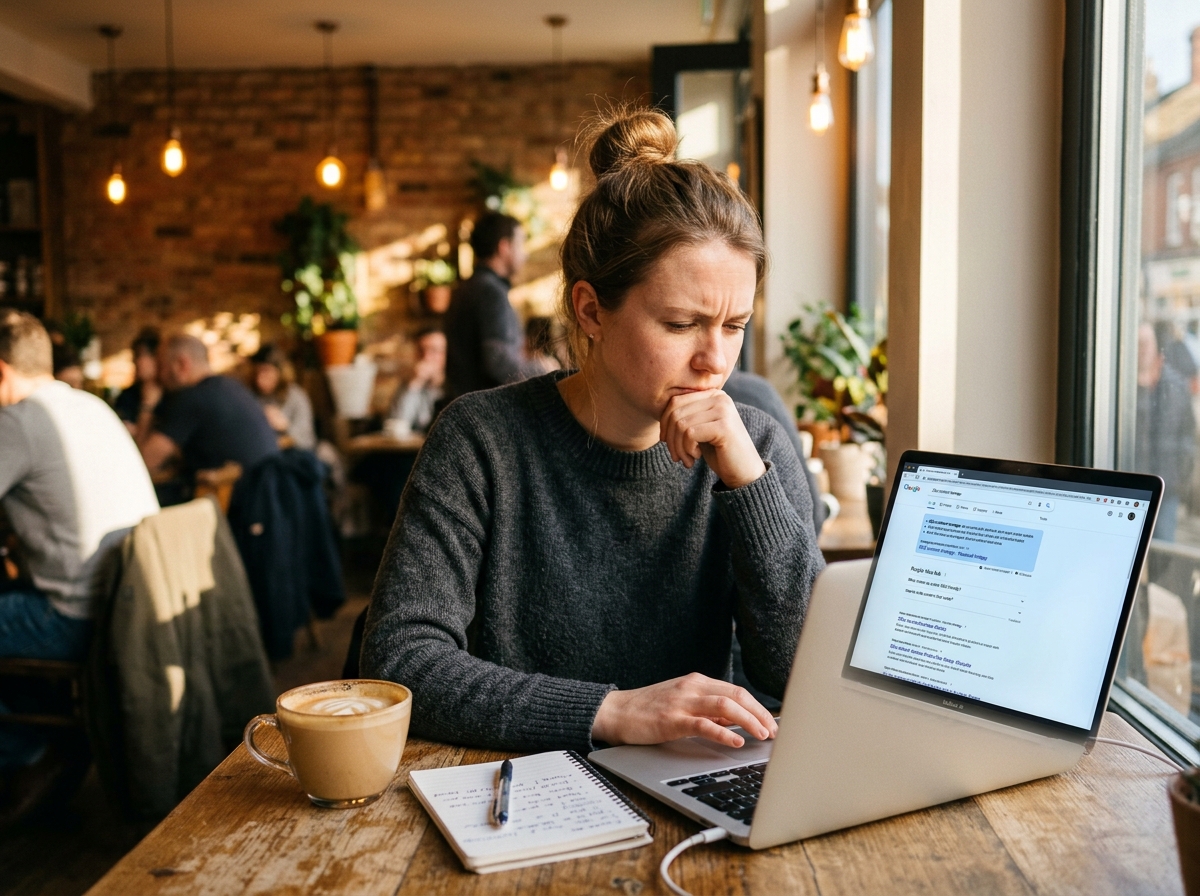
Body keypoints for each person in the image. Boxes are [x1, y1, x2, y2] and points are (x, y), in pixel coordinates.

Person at [362, 108, 823, 755]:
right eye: (681, 323)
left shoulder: (756, 447)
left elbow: (808, 677)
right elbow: (398, 662)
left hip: (692, 798)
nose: (716, 359)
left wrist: (749, 484)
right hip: (512, 791)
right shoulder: (482, 440)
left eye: (734, 325)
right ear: (591, 309)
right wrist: (611, 712)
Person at [0, 309, 158, 809]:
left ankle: (26, 752)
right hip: (127, 606)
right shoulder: (93, 406)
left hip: (75, 618)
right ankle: (49, 735)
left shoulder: (19, 421)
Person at [139, 335, 280, 489]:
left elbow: (142, 463)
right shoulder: (233, 386)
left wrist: (147, 405)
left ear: (182, 364)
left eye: (161, 367)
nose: (159, 376)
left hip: (232, 507)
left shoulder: (192, 398)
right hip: (270, 497)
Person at [444, 212, 555, 398]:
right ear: (504, 247)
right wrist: (544, 367)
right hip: (482, 412)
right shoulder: (490, 292)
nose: (525, 254)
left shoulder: (469, 287)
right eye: (521, 244)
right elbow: (498, 363)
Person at [1135, 322, 1196, 542]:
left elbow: (1187, 435)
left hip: (1166, 487)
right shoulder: (1126, 388)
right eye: (1138, 343)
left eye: (1146, 343)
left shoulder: (1176, 387)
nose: (1142, 349)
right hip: (1133, 487)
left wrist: (1181, 477)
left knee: (1163, 548)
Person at [249, 345, 316, 450]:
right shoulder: (252, 396)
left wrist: (285, 425)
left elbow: (306, 439)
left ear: (280, 372)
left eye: (266, 371)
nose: (259, 379)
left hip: (296, 456)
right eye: (257, 372)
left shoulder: (296, 396)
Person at [387, 328, 446, 435]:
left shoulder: (455, 389)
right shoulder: (409, 385)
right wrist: (414, 384)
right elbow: (397, 425)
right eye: (421, 350)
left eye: (434, 350)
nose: (426, 357)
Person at [114, 327, 164, 441]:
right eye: (135, 356)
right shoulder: (127, 396)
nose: (136, 361)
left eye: (141, 355)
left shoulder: (170, 394)